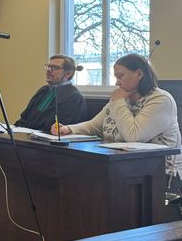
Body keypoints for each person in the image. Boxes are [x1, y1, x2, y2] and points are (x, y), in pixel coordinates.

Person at [53, 54, 182, 194]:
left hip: (158, 176)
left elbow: (134, 136)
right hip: (121, 168)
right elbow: (95, 125)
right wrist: (68, 129)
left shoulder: (161, 100)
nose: (117, 83)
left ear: (139, 74)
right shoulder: (121, 97)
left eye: (120, 76)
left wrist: (119, 102)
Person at [15, 54, 87, 132]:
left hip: (48, 137)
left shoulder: (74, 97)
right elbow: (25, 117)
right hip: (27, 134)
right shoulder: (43, 90)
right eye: (48, 67)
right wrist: (15, 129)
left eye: (54, 67)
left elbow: (63, 127)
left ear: (68, 74)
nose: (49, 70)